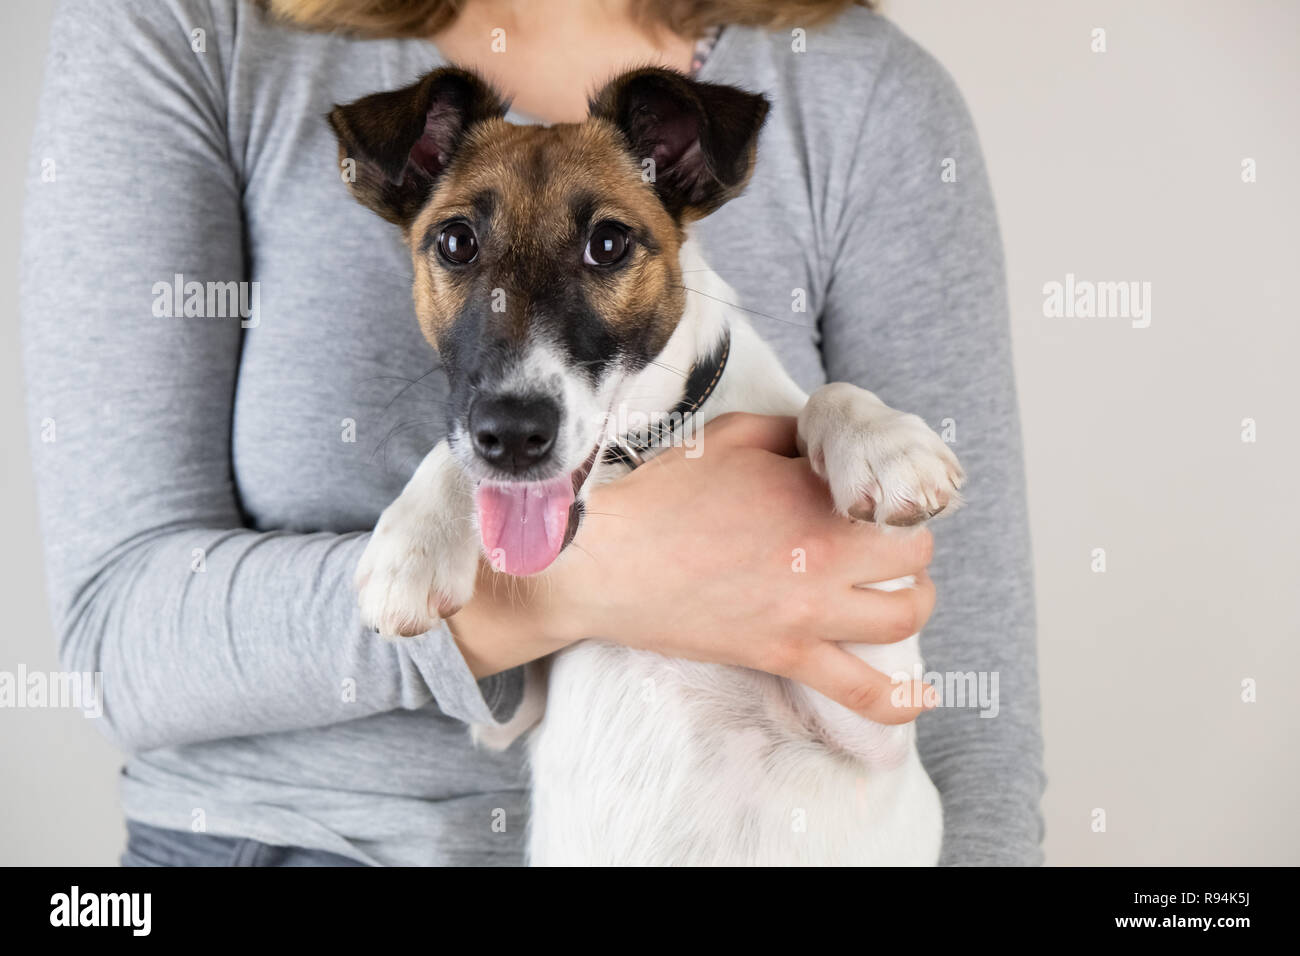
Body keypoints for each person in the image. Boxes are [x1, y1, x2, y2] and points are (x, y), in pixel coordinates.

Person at [21, 0, 1044, 866]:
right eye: (459, 244)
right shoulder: (191, 29)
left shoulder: (865, 93)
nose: (519, 368)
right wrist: (587, 581)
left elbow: (967, 716)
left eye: (605, 244)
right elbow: (119, 637)